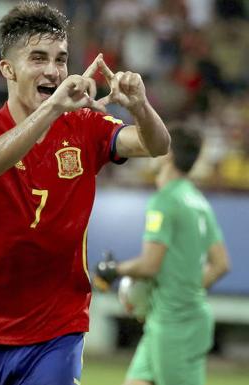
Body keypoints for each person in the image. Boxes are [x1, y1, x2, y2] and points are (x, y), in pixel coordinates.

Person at [0, 2, 170, 385]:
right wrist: (52, 108)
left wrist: (141, 106)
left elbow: (156, 145)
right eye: (38, 58)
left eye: (61, 59)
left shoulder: (85, 126)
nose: (53, 70)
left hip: (58, 327)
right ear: (8, 69)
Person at [95, 125, 231, 385]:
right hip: (177, 315)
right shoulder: (198, 201)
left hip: (174, 324)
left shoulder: (165, 201)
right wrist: (186, 290)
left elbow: (149, 266)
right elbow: (221, 264)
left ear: (167, 155)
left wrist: (113, 269)